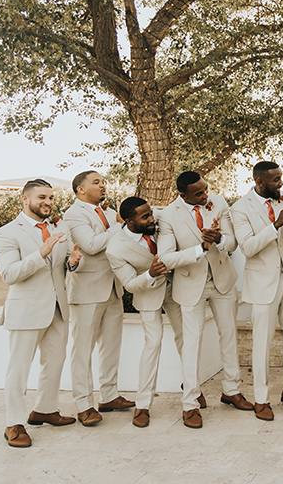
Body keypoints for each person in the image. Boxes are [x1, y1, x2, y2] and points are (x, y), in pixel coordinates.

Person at [0, 179, 82, 447]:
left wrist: (72, 262)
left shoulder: (56, 228)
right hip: (26, 308)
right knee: (19, 369)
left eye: (51, 198)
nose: (48, 202)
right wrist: (41, 253)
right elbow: (9, 274)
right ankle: (14, 423)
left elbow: (61, 265)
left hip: (57, 307)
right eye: (42, 197)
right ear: (25, 199)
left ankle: (45, 409)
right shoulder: (7, 233)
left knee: (54, 362)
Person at [158, 171, 245, 428]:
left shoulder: (218, 202)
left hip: (222, 281)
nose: (206, 195)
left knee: (229, 336)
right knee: (191, 343)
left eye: (206, 189)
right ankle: (190, 403)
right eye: (199, 193)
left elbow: (233, 242)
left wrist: (219, 239)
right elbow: (165, 257)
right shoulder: (167, 215)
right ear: (182, 194)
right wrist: (200, 249)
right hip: (190, 285)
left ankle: (231, 390)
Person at [106, 196, 202, 428]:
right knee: (153, 344)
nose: (152, 219)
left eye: (151, 213)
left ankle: (192, 399)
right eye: (145, 216)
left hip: (177, 288)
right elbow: (129, 284)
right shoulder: (115, 248)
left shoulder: (159, 219)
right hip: (148, 293)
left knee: (187, 341)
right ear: (129, 221)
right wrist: (149, 274)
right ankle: (143, 405)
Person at [232, 161, 283, 421]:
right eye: (276, 180)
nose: (281, 184)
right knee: (262, 343)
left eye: (281, 178)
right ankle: (261, 399)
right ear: (260, 182)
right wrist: (275, 225)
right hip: (262, 284)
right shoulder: (240, 209)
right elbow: (248, 248)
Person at [63, 170, 133, 426]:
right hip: (87, 290)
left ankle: (109, 395)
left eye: (104, 182)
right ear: (80, 189)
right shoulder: (74, 215)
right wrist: (120, 225)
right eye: (96, 182)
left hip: (113, 287)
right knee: (83, 350)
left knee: (111, 345)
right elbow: (90, 245)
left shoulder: (109, 211)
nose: (103, 186)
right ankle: (83, 404)